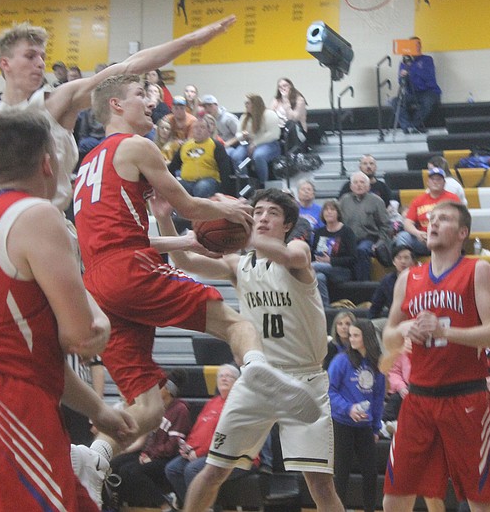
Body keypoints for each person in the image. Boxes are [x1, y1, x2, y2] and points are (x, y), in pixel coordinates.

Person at [74, 77, 320, 478]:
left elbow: (121, 241)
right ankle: (259, 372)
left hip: (99, 283)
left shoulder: (87, 164)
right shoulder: (136, 145)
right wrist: (234, 210)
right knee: (233, 322)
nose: (151, 101)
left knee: (149, 409)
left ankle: (94, 456)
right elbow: (188, 202)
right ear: (116, 105)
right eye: (141, 95)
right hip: (129, 269)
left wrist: (183, 239)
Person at [0, 111, 138, 511]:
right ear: (48, 162)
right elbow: (83, 337)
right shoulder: (36, 215)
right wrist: (98, 312)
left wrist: (99, 409)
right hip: (6, 402)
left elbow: (33, 351)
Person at [0, 17, 237, 214]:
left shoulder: (57, 100)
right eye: (30, 55)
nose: (40, 62)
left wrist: (192, 40)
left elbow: (128, 66)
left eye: (42, 56)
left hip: (50, 217)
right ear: (5, 63)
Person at [152, 188, 343, 512]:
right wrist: (163, 217)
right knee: (213, 470)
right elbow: (183, 260)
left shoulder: (296, 250)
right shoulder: (239, 264)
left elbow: (291, 256)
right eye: (257, 212)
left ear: (287, 225)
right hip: (258, 378)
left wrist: (241, 226)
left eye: (271, 213)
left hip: (303, 380)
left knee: (319, 483)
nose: (263, 217)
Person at [381, 201, 490, 511]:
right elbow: (387, 336)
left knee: (483, 499)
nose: (433, 223)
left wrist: (444, 332)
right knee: (394, 497)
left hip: (465, 396)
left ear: (463, 232)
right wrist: (406, 328)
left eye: (444, 219)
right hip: (419, 398)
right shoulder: (408, 278)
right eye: (431, 218)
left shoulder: (477, 270)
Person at [163, 365, 244, 508]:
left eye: (229, 376)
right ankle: (194, 507)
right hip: (203, 452)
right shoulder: (212, 403)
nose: (224, 378)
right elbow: (197, 430)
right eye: (221, 376)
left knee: (192, 469)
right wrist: (187, 447)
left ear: (237, 381)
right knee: (172, 469)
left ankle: (208, 507)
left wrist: (198, 453)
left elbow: (225, 437)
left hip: (230, 455)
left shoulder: (238, 404)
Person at [328, 318, 385, 512]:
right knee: (341, 474)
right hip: (342, 424)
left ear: (366, 337)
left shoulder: (377, 364)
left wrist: (376, 427)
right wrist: (348, 409)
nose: (350, 338)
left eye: (355, 335)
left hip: (365, 427)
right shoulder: (341, 360)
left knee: (370, 474)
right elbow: (329, 391)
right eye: (350, 335)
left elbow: (377, 398)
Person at [113, 369, 191, 508]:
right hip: (151, 453)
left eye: (159, 386)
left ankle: (165, 504)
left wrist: (151, 455)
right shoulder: (158, 408)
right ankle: (116, 505)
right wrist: (146, 452)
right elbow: (150, 436)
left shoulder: (180, 410)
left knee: (131, 470)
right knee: (115, 464)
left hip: (166, 458)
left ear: (168, 389)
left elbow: (172, 446)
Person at [338, 171, 392, 280]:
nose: (359, 185)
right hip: (347, 240)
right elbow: (338, 222)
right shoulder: (344, 200)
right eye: (356, 182)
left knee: (361, 250)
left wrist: (379, 243)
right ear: (351, 186)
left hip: (369, 239)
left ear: (368, 186)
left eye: (362, 182)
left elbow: (385, 226)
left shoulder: (377, 201)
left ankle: (363, 285)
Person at [396, 167, 460, 256]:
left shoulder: (453, 199)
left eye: (438, 179)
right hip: (424, 240)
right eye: (432, 179)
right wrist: (418, 233)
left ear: (444, 183)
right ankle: (407, 267)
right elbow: (407, 223)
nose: (435, 181)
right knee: (403, 237)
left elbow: (459, 221)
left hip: (444, 239)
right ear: (428, 182)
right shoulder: (418, 200)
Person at [168, 117, 234, 198]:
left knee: (201, 188)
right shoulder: (185, 146)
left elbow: (225, 170)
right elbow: (173, 166)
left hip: (209, 181)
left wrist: (224, 192)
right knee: (177, 188)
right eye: (195, 127)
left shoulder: (216, 145)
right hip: (187, 181)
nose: (198, 130)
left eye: (202, 127)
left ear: (208, 131)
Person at [311, 199, 357, 307]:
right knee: (319, 277)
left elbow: (353, 258)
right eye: (326, 210)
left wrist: (330, 260)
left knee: (311, 267)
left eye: (332, 209)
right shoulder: (319, 232)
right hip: (320, 268)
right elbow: (313, 251)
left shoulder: (347, 232)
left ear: (338, 213)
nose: (329, 212)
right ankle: (326, 310)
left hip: (341, 270)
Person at [228, 94, 281, 186]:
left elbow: (274, 134)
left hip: (269, 144)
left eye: (248, 103)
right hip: (248, 143)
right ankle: (244, 183)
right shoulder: (245, 117)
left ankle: (262, 184)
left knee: (258, 156)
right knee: (236, 156)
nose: (246, 105)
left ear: (255, 103)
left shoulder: (269, 114)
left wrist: (255, 143)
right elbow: (238, 134)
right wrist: (242, 136)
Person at [396, 37, 442, 132]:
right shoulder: (404, 63)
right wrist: (403, 76)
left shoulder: (427, 60)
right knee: (395, 102)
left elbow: (428, 77)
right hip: (411, 93)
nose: (415, 48)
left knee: (428, 101)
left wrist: (412, 69)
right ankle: (406, 125)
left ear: (420, 46)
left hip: (428, 92)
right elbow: (401, 83)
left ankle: (415, 125)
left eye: (416, 45)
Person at [369, 244, 416, 322]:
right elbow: (376, 306)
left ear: (413, 262)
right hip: (394, 322)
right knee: (372, 325)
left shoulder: (420, 278)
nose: (403, 261)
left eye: (406, 258)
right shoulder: (387, 281)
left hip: (415, 320)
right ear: (394, 262)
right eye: (399, 258)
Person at [270, 77, 308, 152]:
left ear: (290, 86)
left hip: (296, 130)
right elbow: (270, 115)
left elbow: (293, 118)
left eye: (285, 85)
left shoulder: (299, 99)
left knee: (290, 124)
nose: (283, 88)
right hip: (279, 129)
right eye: (280, 87)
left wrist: (286, 101)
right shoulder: (276, 100)